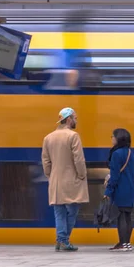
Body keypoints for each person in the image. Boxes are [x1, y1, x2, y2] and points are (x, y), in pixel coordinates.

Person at [42, 107, 89, 252]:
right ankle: (63, 239)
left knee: (59, 211)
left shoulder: (48, 138)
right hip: (71, 179)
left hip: (55, 180)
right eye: (75, 118)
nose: (76, 121)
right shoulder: (73, 136)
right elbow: (79, 159)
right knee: (73, 209)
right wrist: (82, 174)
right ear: (69, 119)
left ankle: (61, 239)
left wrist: (50, 175)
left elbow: (46, 161)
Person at [104, 128, 134, 252]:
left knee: (121, 216)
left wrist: (108, 191)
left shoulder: (117, 154)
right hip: (130, 188)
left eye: (113, 136)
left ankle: (123, 243)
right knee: (127, 216)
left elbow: (115, 175)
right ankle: (127, 243)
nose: (111, 138)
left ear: (118, 138)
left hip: (120, 189)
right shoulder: (129, 152)